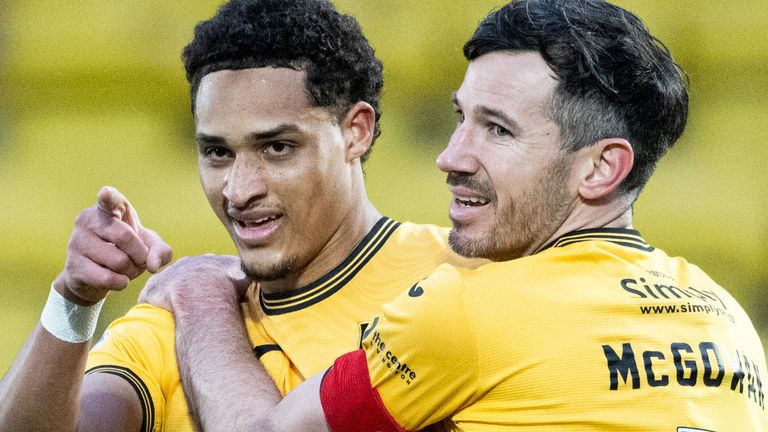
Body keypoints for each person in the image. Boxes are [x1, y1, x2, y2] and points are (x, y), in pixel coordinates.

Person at [148, 0, 768, 431]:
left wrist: (200, 295)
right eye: (460, 117)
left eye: (496, 130)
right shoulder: (725, 318)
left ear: (601, 169)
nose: (450, 157)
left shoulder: (471, 307)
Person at [0, 0, 480, 430]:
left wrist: (199, 299)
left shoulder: (469, 281)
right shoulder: (174, 320)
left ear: (356, 132)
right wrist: (73, 301)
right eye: (217, 153)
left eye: (276, 147)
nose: (239, 190)